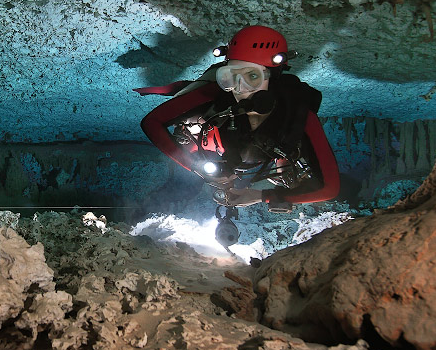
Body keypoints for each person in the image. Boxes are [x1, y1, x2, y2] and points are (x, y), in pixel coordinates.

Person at [135, 25, 339, 242]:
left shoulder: (298, 115)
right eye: (230, 76)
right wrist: (196, 167)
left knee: (290, 173)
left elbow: (329, 187)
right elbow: (152, 122)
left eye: (252, 76)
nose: (239, 88)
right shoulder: (215, 95)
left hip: (267, 152)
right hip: (218, 146)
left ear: (273, 75)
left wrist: (261, 196)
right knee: (191, 130)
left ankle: (284, 165)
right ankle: (183, 90)